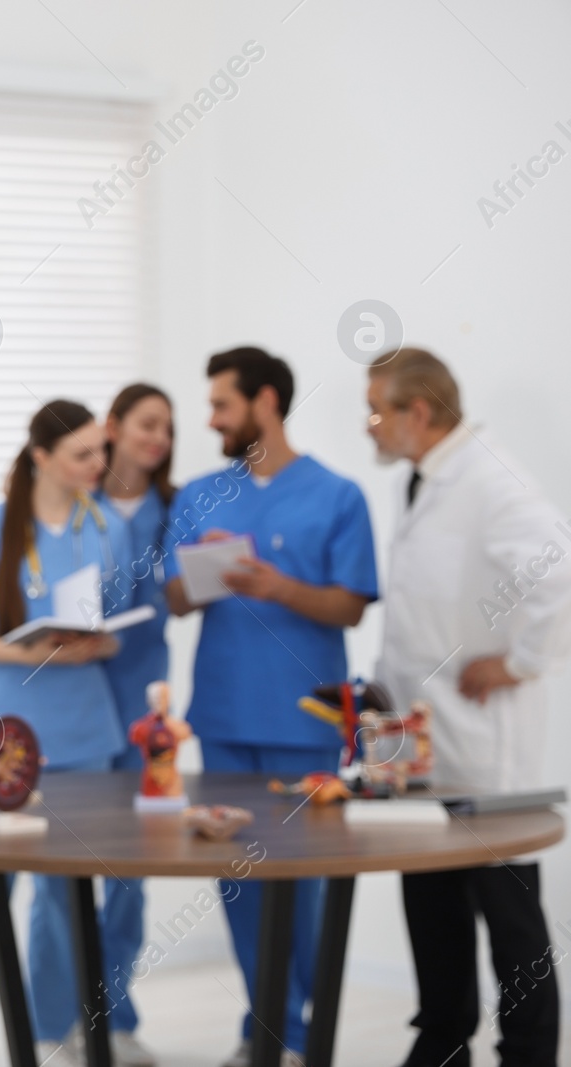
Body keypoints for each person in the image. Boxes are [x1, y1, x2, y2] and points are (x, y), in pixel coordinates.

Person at [163, 347, 378, 1066]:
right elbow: (173, 596)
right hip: (224, 718)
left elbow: (348, 604)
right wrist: (212, 570)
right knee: (240, 881)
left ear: (265, 402)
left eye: (222, 404)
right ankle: (270, 1029)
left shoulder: (338, 495)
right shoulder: (199, 495)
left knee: (304, 886)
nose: (212, 419)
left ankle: (295, 1020)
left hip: (305, 720)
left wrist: (270, 582)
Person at [367, 347, 569, 1067]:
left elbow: (558, 567)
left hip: (484, 747)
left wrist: (515, 663)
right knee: (431, 898)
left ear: (416, 412)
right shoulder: (420, 480)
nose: (369, 426)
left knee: (509, 912)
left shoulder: (491, 478)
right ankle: (444, 1039)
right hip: (422, 742)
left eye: (377, 411)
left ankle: (530, 1053)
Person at [0, 400, 136, 1067]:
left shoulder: (106, 529)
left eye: (101, 451)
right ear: (41, 456)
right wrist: (31, 652)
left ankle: (54, 1032)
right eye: (83, 454)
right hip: (8, 735)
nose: (98, 465)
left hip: (87, 732)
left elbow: (118, 628)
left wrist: (92, 645)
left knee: (65, 892)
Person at [94, 382, 177, 1067]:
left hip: (142, 715)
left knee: (127, 876)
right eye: (148, 423)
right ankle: (60, 1017)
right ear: (113, 426)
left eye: (168, 429)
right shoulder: (70, 502)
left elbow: (173, 596)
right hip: (77, 712)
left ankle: (115, 1015)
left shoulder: (174, 510)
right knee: (60, 874)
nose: (159, 438)